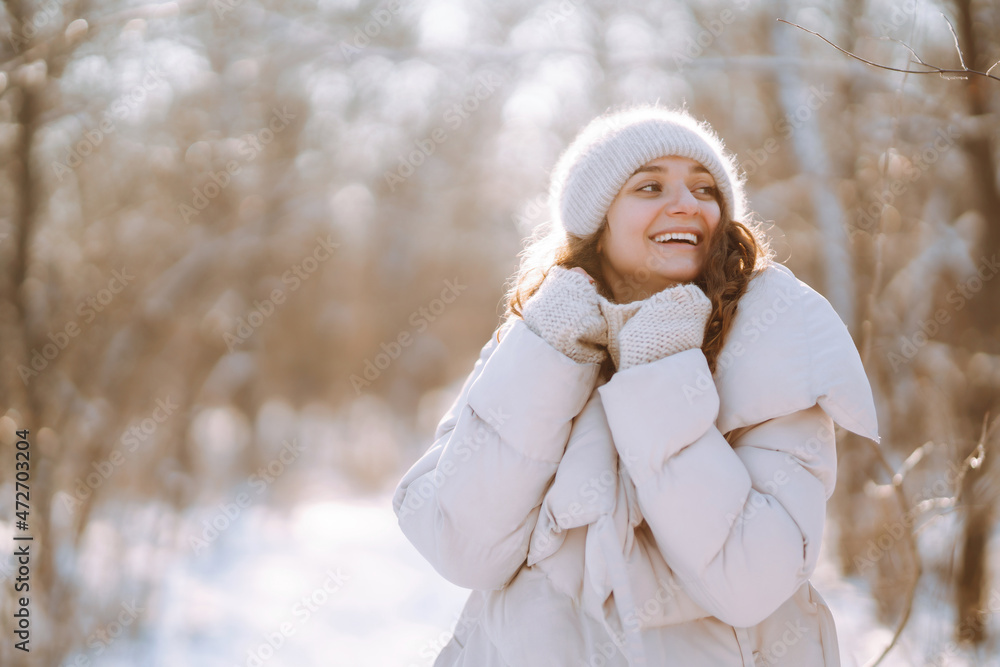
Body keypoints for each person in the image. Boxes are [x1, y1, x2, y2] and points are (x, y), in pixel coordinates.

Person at [392, 104, 879, 666]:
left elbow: (751, 579)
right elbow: (461, 546)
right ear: (597, 224)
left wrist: (659, 370)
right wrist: (549, 353)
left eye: (705, 189)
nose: (687, 204)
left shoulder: (777, 337)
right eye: (650, 186)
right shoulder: (534, 335)